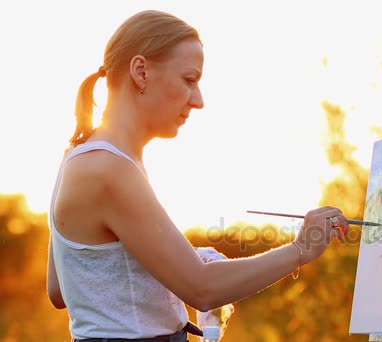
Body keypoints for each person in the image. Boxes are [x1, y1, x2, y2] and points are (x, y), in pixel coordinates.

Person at [46, 10, 349, 342]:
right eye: (189, 80)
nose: (199, 100)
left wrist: (171, 274)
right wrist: (300, 249)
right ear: (141, 71)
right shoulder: (109, 169)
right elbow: (203, 288)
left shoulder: (80, 155)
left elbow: (61, 287)